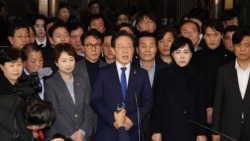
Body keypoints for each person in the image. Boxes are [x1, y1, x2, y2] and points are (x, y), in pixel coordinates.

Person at [90, 31, 153, 141]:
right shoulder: (103, 73)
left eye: (129, 47)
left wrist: (133, 119)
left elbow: (148, 102)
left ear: (134, 50)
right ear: (113, 50)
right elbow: (95, 100)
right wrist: (114, 120)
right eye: (120, 47)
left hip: (133, 131)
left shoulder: (141, 74)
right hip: (108, 131)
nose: (125, 50)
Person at [151, 36, 207, 141]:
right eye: (178, 52)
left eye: (185, 52)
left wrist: (201, 132)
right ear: (172, 54)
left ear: (191, 54)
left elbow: (201, 105)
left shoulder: (199, 75)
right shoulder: (163, 74)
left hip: (191, 129)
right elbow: (157, 105)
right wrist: (156, 130)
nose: (182, 56)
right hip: (167, 128)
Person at [44, 43, 93, 141]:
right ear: (56, 63)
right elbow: (54, 112)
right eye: (64, 61)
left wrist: (82, 131)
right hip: (60, 135)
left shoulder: (82, 80)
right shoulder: (50, 83)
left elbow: (88, 107)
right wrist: (72, 133)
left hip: (82, 135)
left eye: (71, 59)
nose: (68, 64)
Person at [192, 19, 235, 125]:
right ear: (204, 36)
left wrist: (215, 107)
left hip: (226, 111)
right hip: (199, 109)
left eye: (216, 35)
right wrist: (206, 107)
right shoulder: (195, 57)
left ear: (221, 36)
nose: (212, 39)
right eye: (208, 35)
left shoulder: (231, 58)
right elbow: (193, 85)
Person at [212, 28, 250, 141]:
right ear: (233, 46)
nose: (242, 49)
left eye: (247, 45)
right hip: (228, 131)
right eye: (238, 45)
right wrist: (215, 131)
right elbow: (218, 102)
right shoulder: (223, 71)